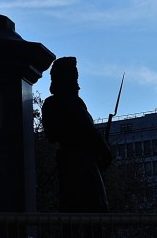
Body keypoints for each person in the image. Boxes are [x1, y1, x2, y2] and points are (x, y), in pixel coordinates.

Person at [41, 57, 113, 213]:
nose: (77, 84)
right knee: (91, 211)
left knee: (72, 212)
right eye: (74, 77)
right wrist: (105, 151)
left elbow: (52, 135)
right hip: (81, 163)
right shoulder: (72, 103)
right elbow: (91, 131)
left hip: (70, 162)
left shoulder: (52, 104)